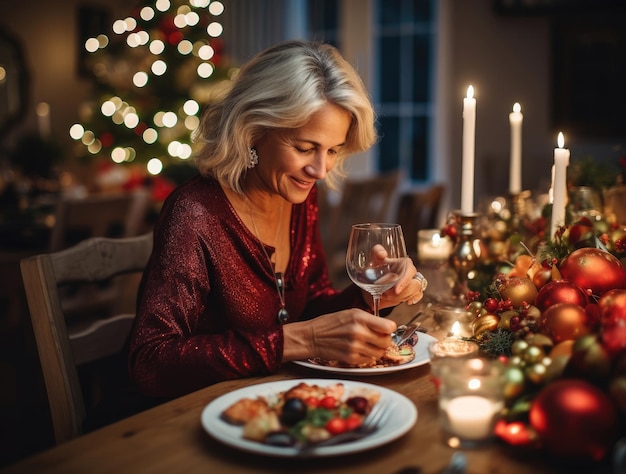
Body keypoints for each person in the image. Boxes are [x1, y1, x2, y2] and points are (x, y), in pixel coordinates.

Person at [128, 40, 426, 399]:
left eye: (332, 150)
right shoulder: (195, 213)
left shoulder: (299, 195)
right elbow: (149, 363)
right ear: (253, 130)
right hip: (182, 422)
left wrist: (369, 295)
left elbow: (312, 305)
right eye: (304, 148)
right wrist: (293, 341)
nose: (319, 169)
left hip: (273, 404)